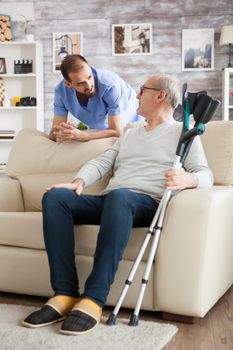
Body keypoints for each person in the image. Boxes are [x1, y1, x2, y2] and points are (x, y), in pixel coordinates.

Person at [22, 74, 213, 335]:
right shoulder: (131, 134)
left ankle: (93, 299)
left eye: (142, 89)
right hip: (112, 200)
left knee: (121, 196)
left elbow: (206, 175)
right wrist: (78, 181)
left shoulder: (184, 133)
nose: (135, 95)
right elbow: (103, 162)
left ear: (160, 96)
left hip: (146, 203)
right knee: (55, 198)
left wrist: (187, 178)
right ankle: (65, 294)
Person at [49, 54, 142, 142]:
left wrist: (84, 135)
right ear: (68, 84)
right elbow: (55, 132)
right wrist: (63, 132)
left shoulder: (110, 85)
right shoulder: (61, 92)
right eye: (80, 83)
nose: (89, 86)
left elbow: (117, 132)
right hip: (102, 128)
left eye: (89, 77)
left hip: (132, 119)